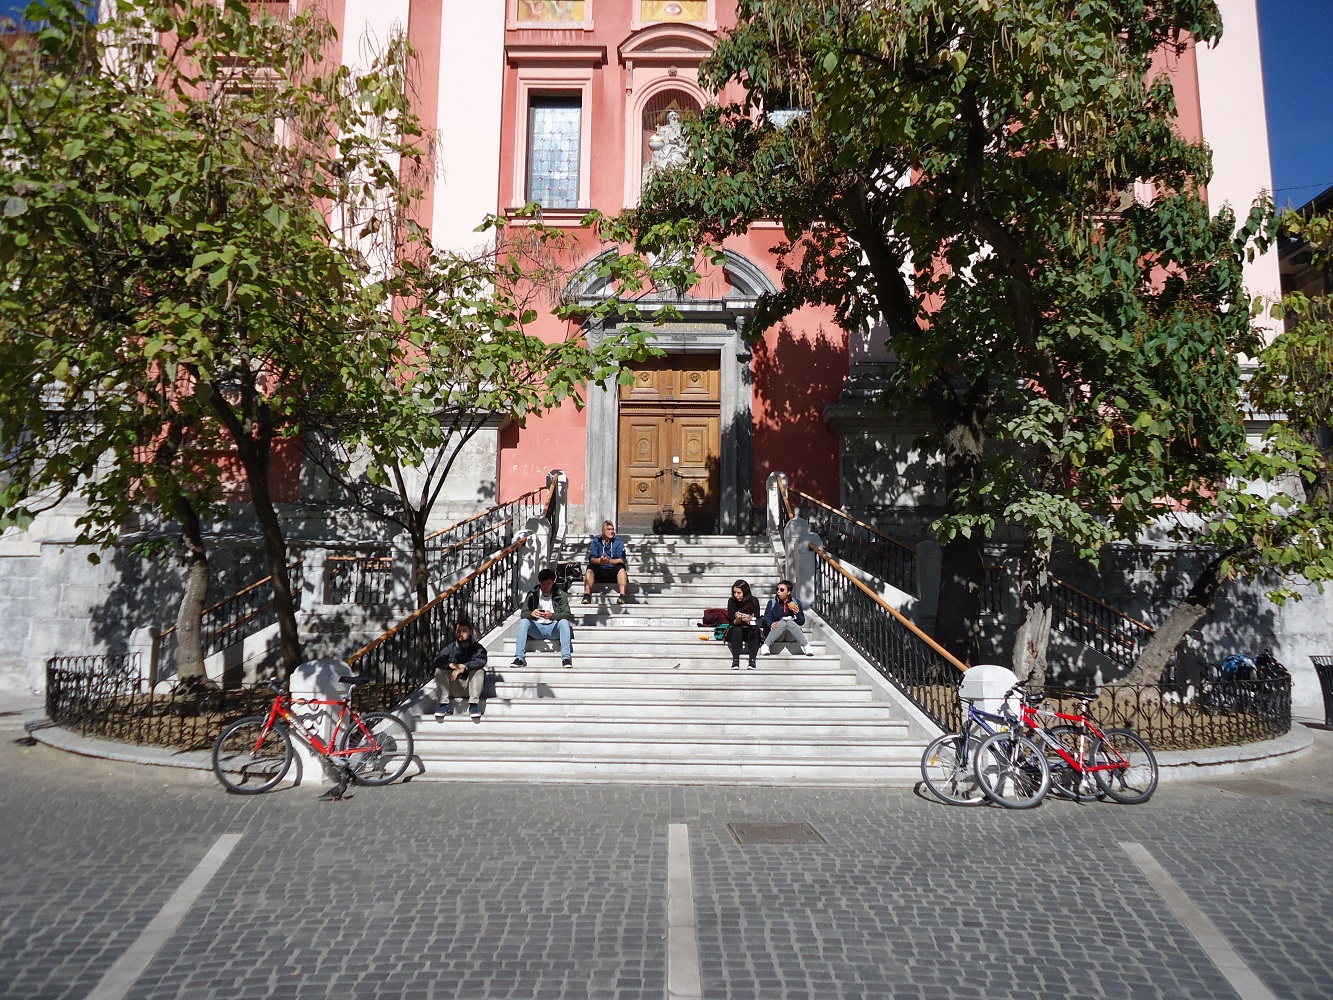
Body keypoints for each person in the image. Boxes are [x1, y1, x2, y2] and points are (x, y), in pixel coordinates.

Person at [513, 567, 574, 668]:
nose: (545, 587)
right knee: (524, 622)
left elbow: (567, 614)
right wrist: (531, 614)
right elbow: (523, 613)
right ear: (539, 582)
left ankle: (566, 658)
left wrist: (553, 616)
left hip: (553, 628)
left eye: (548, 584)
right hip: (537, 628)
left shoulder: (560, 594)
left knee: (564, 622)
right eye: (543, 584)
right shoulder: (533, 594)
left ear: (553, 582)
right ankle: (519, 658)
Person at [434, 617, 488, 722]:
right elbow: (438, 659)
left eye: (464, 631)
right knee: (439, 670)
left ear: (470, 632)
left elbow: (481, 660)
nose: (461, 634)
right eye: (458, 631)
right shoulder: (450, 647)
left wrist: (464, 666)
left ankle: (473, 706)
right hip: (454, 685)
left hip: (470, 687)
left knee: (479, 670)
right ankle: (443, 705)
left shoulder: (477, 647)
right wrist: (451, 665)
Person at [759, 579, 814, 656]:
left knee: (790, 622)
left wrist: (797, 613)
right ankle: (766, 645)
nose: (778, 592)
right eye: (777, 589)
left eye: (782, 590)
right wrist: (771, 624)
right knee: (782, 622)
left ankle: (806, 646)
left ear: (789, 592)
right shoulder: (772, 603)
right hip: (777, 634)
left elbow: (801, 621)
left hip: (790, 635)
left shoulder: (795, 602)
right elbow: (767, 616)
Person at [582, 519, 628, 605]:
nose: (611, 531)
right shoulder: (596, 541)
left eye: (612, 529)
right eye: (608, 529)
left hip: (613, 572)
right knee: (590, 567)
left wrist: (609, 561)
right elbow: (592, 558)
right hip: (600, 571)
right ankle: (586, 596)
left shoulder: (618, 542)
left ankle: (623, 596)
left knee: (621, 568)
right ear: (603, 531)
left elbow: (622, 559)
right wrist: (600, 561)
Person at [726, 579, 762, 670]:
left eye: (739, 593)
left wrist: (750, 618)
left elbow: (757, 618)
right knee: (737, 629)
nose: (736, 595)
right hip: (736, 629)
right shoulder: (731, 601)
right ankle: (735, 660)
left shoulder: (753, 601)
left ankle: (752, 660)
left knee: (754, 629)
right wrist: (738, 618)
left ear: (745, 592)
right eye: (734, 592)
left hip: (750, 628)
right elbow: (731, 620)